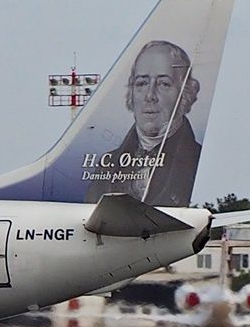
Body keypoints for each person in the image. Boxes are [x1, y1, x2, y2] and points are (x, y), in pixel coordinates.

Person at [85, 40, 202, 206]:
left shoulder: (195, 161)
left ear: (185, 93)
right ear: (131, 93)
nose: (150, 96)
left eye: (163, 84)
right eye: (141, 83)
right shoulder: (107, 164)